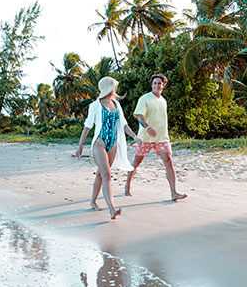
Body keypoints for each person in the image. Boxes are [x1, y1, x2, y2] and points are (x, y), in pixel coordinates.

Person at [74, 76, 138, 220]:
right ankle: (112, 209)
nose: (114, 89)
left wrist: (134, 137)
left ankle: (92, 201)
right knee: (107, 175)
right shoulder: (95, 106)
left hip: (113, 144)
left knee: (100, 174)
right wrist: (80, 148)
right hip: (100, 143)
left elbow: (124, 124)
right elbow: (87, 128)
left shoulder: (116, 104)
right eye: (113, 86)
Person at [125, 73, 187, 201]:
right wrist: (148, 128)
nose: (157, 85)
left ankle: (174, 192)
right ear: (151, 85)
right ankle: (127, 185)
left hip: (162, 138)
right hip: (145, 138)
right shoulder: (144, 98)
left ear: (163, 85)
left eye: (159, 83)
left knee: (169, 161)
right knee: (136, 163)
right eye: (154, 83)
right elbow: (139, 116)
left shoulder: (163, 100)